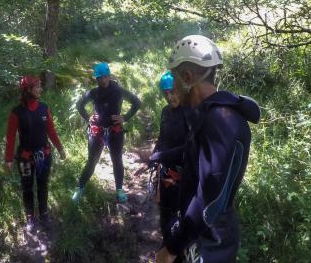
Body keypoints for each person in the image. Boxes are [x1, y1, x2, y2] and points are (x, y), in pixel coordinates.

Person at [156, 35, 260, 263]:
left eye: (174, 77)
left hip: (209, 244)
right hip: (200, 236)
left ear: (187, 77)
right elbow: (198, 162)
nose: (172, 86)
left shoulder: (220, 120)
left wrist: (172, 247)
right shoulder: (210, 115)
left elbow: (210, 200)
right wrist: (161, 156)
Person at [72, 62, 141, 203]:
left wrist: (124, 118)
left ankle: (119, 189)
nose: (103, 80)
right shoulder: (94, 92)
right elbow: (80, 105)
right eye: (100, 78)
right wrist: (88, 117)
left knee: (117, 160)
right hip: (97, 130)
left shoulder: (118, 90)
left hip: (115, 130)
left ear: (109, 76)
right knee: (92, 161)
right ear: (96, 79)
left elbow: (136, 102)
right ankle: (80, 188)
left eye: (105, 77)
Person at [5, 75, 66, 232]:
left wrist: (60, 148)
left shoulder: (44, 108)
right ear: (28, 90)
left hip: (44, 156)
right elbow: (11, 136)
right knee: (27, 187)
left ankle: (44, 214)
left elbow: (51, 130)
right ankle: (30, 217)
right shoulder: (16, 113)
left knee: (43, 185)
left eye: (40, 86)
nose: (40, 89)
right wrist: (8, 159)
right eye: (37, 86)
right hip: (25, 159)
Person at [149, 71, 190, 245]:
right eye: (165, 93)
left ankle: (175, 249)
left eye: (172, 92)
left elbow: (191, 147)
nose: (169, 97)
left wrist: (161, 155)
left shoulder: (190, 113)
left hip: (184, 173)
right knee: (164, 211)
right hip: (166, 171)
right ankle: (166, 245)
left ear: (180, 91)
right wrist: (154, 156)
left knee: (180, 212)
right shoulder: (165, 112)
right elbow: (163, 137)